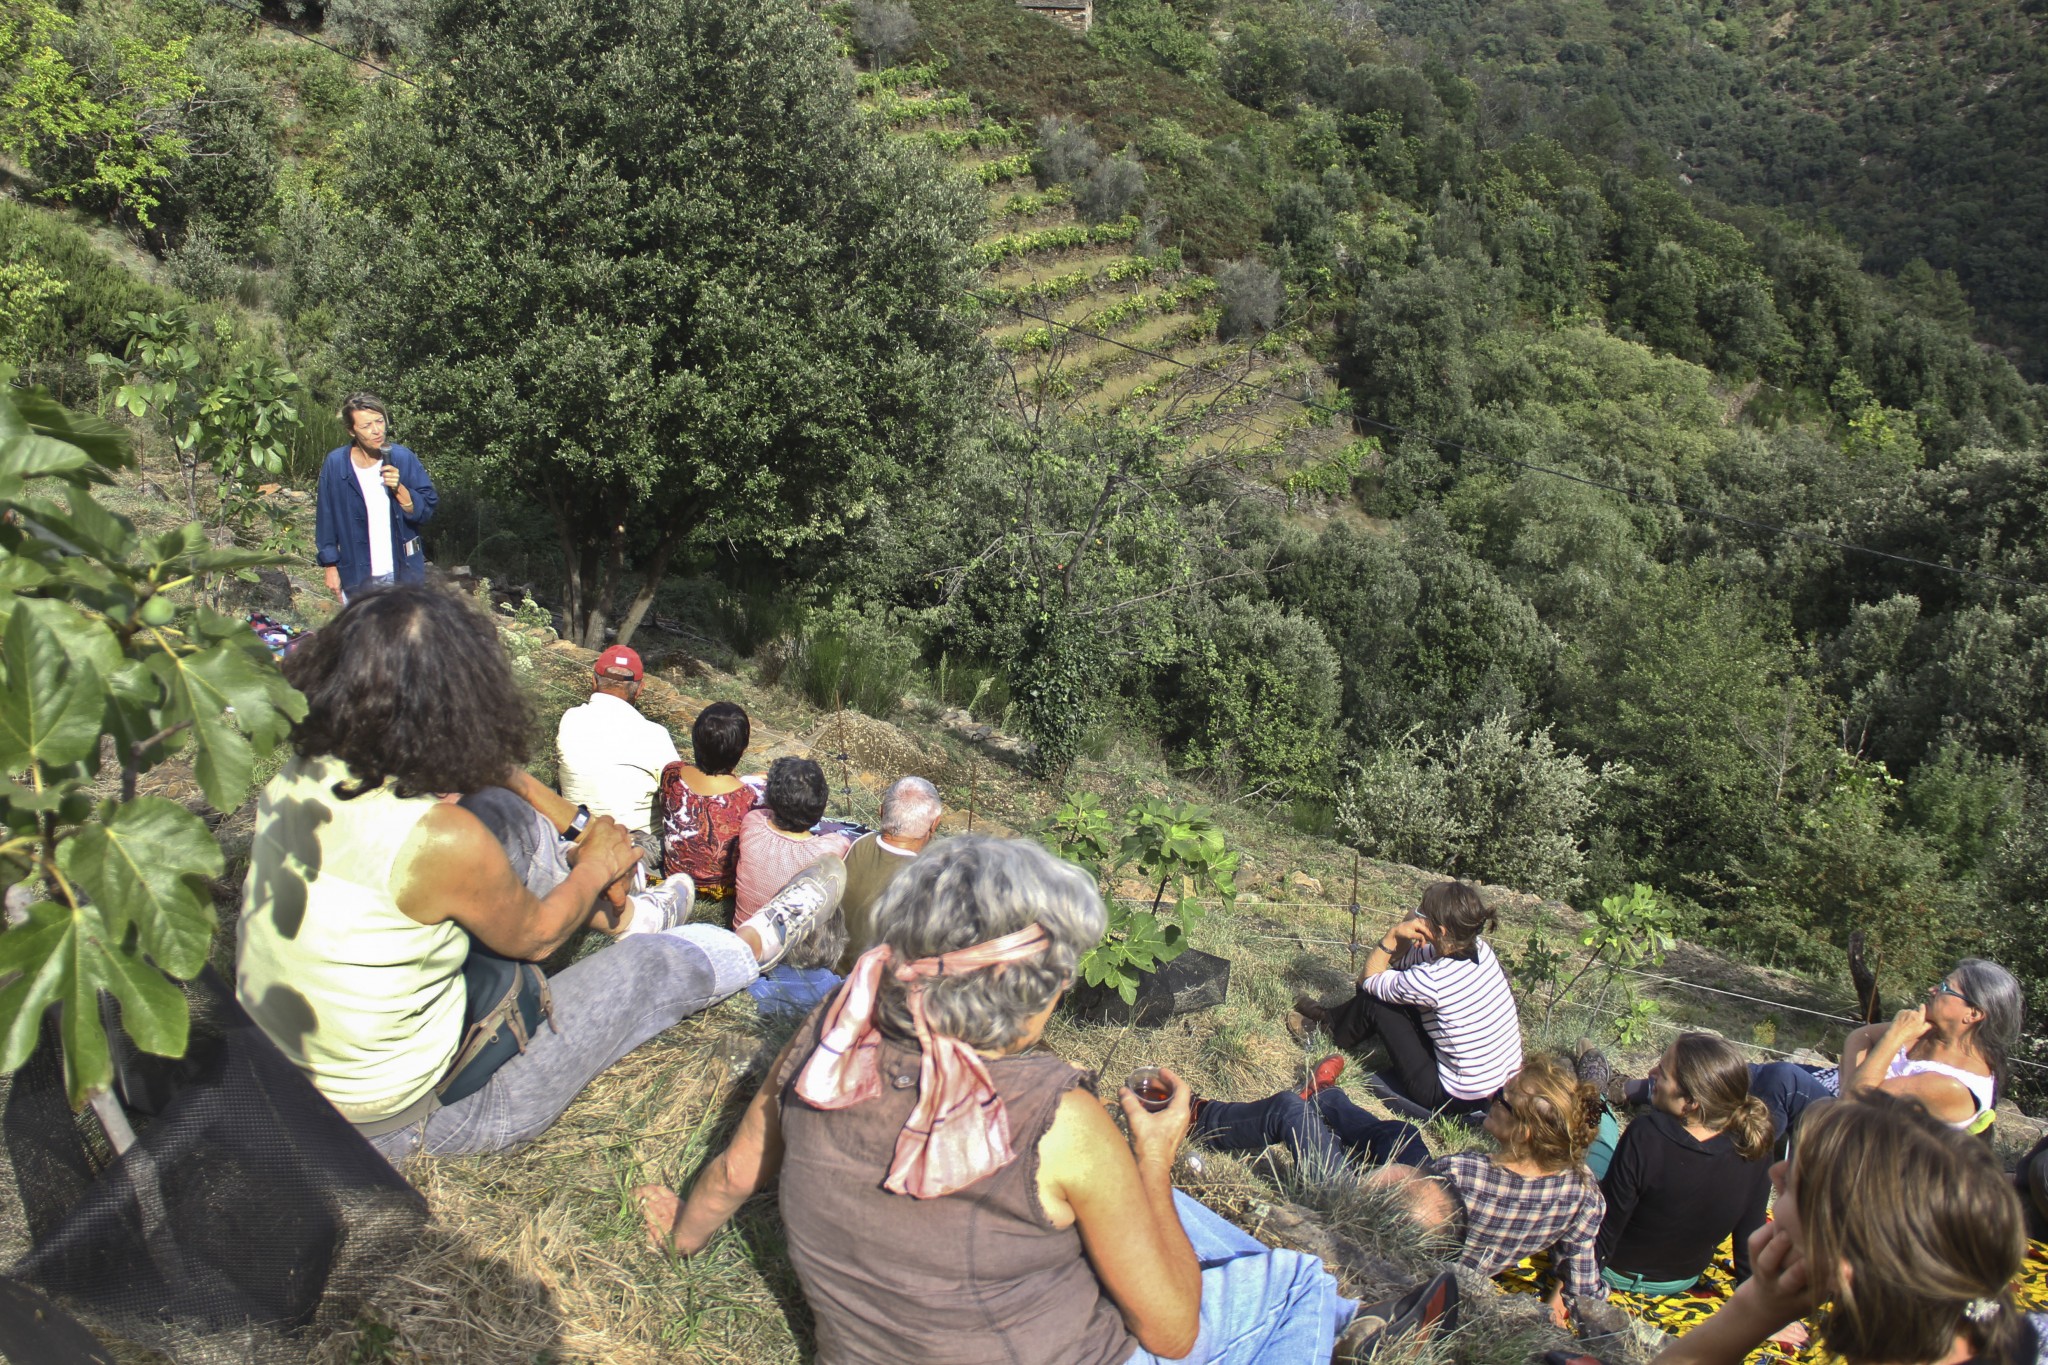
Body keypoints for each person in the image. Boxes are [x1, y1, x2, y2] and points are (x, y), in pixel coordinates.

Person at [631, 836, 1459, 1365]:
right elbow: (1173, 1333)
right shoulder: (1059, 1121)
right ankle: (1343, 1318)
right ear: (1038, 996)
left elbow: (741, 1167)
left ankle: (1355, 1320)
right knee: (1296, 1282)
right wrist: (1153, 1153)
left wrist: (681, 1233)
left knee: (1126, 1207)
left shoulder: (830, 1035)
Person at [236, 584, 841, 1164]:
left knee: (503, 809)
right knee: (648, 969)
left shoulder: (300, 776)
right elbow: (540, 937)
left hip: (282, 1076)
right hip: (414, 1116)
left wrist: (537, 796)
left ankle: (630, 913)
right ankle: (754, 939)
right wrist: (599, 862)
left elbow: (492, 796)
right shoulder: (439, 839)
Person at [1649, 1090, 2048, 1365]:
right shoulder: (2018, 1335)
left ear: (1843, 1269)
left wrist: (1753, 1310)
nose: (1774, 1172)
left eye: (1793, 1185)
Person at [1375, 1055, 1607, 1331]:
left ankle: (1319, 1101)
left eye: (1503, 1098)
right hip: (1459, 1283)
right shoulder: (1583, 1193)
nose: (1493, 1099)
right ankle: (1332, 1098)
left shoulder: (1461, 1172)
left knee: (1363, 1145)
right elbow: (1583, 1286)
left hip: (1420, 1261)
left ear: (1523, 1133)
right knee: (1403, 1133)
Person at [1297, 880, 1521, 1121]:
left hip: (1450, 1095)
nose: (1415, 915)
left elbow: (1367, 982)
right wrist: (1411, 928)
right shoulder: (1480, 949)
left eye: (1422, 912)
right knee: (1397, 990)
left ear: (1441, 930)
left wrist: (1392, 935)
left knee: (1375, 1002)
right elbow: (1402, 962)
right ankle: (1331, 1018)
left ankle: (1330, 1028)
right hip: (1494, 1087)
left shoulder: (1432, 980)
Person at [1744, 957, 2020, 1139]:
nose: (1933, 989)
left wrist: (1895, 1036)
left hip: (1857, 1141)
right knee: (1728, 1072)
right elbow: (1859, 1037)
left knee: (1782, 1080)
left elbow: (1855, 1105)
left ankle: (1738, 1182)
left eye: (1946, 987)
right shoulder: (1927, 1030)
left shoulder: (1956, 1085)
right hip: (1832, 1093)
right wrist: (1849, 1085)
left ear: (1973, 1014)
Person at [1593, 1034, 1773, 1297]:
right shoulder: (1753, 1146)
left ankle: (1595, 1095)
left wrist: (1569, 1290)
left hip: (1612, 1271)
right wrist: (1761, 1308)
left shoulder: (1647, 1134)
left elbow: (1605, 1225)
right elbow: (1751, 1235)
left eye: (1663, 1073)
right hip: (1680, 1280)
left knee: (1597, 1139)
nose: (1651, 1073)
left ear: (1691, 1102)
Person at [1187, 1054, 1431, 1178]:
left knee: (1287, 1108)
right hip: (1428, 1181)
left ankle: (1200, 1120)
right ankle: (1323, 1095)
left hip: (1390, 1210)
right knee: (1404, 1133)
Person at [314, 393, 437, 603]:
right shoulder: (336, 464)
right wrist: (330, 566)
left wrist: (399, 489)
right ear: (351, 430)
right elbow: (326, 518)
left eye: (380, 421)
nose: (376, 430)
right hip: (358, 575)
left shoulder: (402, 458)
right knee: (361, 634)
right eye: (366, 426)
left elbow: (426, 510)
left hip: (402, 572)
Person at [555, 644, 680, 837]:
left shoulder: (570, 718)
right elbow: (677, 793)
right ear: (639, 690)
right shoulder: (655, 735)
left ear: (593, 682)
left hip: (576, 835)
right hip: (633, 846)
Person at [834, 775, 943, 972]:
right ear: (935, 824)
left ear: (881, 811)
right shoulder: (929, 878)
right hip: (875, 983)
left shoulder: (860, 844)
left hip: (833, 965)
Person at [656, 701, 760, 902]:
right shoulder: (749, 798)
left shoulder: (672, 773)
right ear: (742, 749)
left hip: (675, 874)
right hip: (722, 887)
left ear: (695, 739)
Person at [733, 757, 853, 929]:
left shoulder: (752, 822)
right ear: (821, 804)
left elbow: (766, 810)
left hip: (743, 930)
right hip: (791, 947)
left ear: (770, 799)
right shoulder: (833, 848)